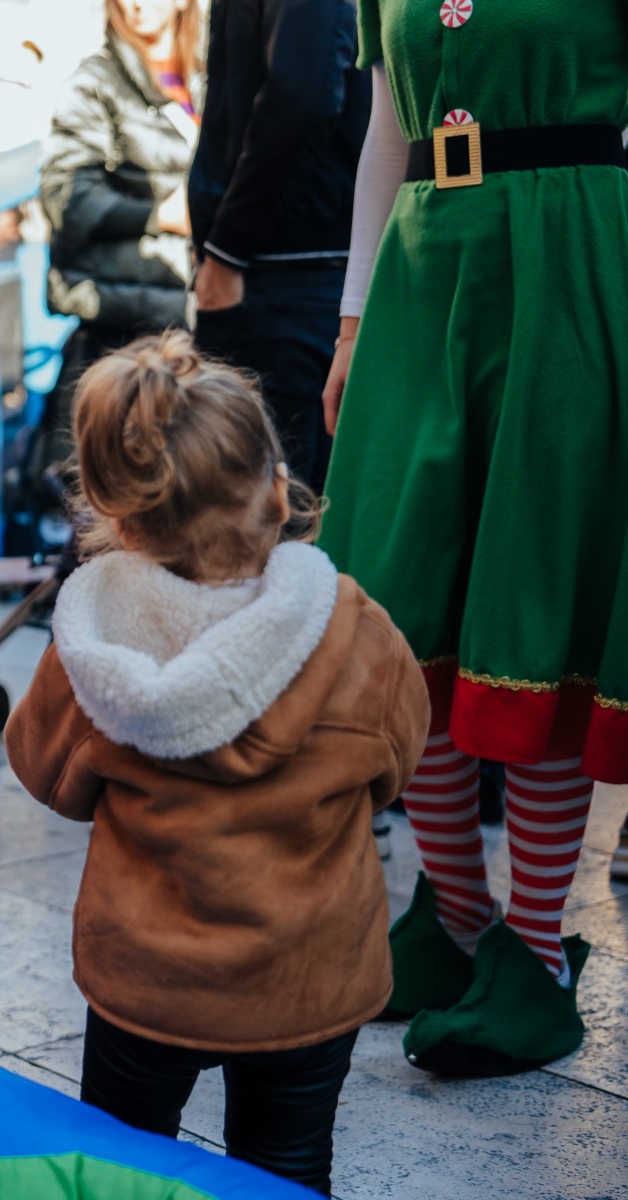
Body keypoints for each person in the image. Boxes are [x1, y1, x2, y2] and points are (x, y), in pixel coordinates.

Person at [6, 333, 427, 1195]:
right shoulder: (351, 629)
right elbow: (400, 763)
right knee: (287, 1169)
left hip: (145, 983)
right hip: (309, 981)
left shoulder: (96, 644)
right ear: (277, 486)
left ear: (113, 510)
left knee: (122, 1166)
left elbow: (44, 774)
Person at [318, 0, 628, 1074]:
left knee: (530, 605)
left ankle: (535, 951)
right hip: (424, 266)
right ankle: (451, 919)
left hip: (576, 260)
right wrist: (354, 314)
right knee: (402, 603)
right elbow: (386, 127)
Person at [186, 0, 369, 497]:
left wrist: (228, 250)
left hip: (283, 283)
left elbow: (301, 97)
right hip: (280, 276)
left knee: (267, 519)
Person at [36, 0, 199, 490]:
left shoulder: (216, 73)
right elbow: (64, 194)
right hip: (125, 330)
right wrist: (163, 214)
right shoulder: (96, 80)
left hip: (202, 317)